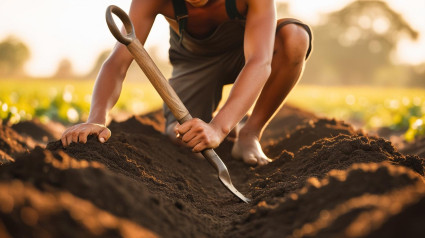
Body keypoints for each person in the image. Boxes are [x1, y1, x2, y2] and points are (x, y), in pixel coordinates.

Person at [61, 0, 312, 166]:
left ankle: (249, 133)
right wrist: (96, 118)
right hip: (195, 61)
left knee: (294, 38)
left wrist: (219, 128)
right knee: (181, 138)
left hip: (250, 51)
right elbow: (118, 62)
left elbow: (259, 62)